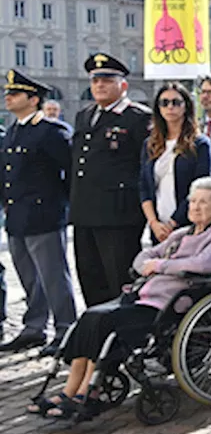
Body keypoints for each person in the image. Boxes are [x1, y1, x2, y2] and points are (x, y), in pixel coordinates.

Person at [28, 177, 211, 422]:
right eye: (192, 201)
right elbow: (143, 257)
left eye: (204, 202)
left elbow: (204, 264)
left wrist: (160, 265)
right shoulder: (181, 233)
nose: (195, 207)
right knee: (89, 317)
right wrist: (150, 265)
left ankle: (86, 393)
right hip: (141, 295)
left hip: (166, 304)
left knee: (103, 323)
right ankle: (68, 391)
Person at [0, 70, 75, 357]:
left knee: (53, 276)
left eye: (15, 93)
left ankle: (65, 328)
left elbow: (70, 173)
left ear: (34, 100)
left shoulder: (51, 131)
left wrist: (63, 208)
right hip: (17, 215)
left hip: (44, 215)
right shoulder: (14, 130)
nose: (8, 97)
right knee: (29, 277)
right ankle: (34, 327)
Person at [70, 53, 151, 307]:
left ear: (123, 85)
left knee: (119, 277)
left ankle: (123, 337)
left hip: (118, 214)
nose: (99, 86)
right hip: (85, 211)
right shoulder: (85, 115)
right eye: (95, 81)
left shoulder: (137, 117)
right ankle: (96, 333)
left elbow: (145, 166)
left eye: (106, 80)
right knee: (89, 277)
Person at [140, 83, 211, 245]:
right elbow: (144, 186)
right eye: (164, 103)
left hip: (188, 224)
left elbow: (199, 188)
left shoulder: (200, 144)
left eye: (176, 102)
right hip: (158, 227)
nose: (170, 107)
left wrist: (173, 223)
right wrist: (154, 223)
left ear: (186, 106)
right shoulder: (150, 144)